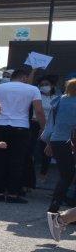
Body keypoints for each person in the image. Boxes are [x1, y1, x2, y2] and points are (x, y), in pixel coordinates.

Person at [0, 66, 46, 203]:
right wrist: (43, 127)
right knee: (17, 160)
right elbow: (39, 111)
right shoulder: (32, 89)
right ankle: (13, 193)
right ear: (24, 77)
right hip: (21, 127)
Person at [43, 78, 76, 213]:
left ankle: (55, 206)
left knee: (65, 175)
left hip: (57, 141)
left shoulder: (59, 100)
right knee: (69, 175)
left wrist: (49, 143)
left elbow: (50, 124)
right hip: (71, 141)